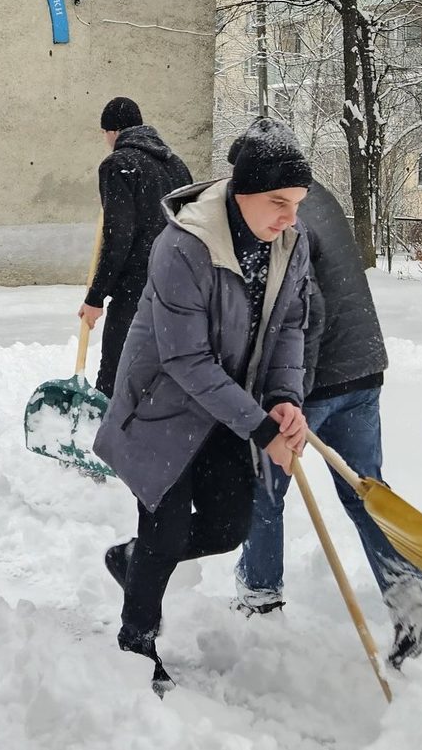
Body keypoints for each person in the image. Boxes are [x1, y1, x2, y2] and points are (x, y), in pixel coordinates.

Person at [92, 117, 314, 693]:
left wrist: (284, 399)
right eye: (279, 202)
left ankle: (133, 560)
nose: (290, 218)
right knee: (164, 531)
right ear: (243, 193)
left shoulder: (290, 244)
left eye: (297, 204)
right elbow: (186, 360)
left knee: (227, 526)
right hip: (162, 407)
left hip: (227, 407)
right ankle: (136, 643)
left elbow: (290, 325)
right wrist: (262, 429)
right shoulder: (184, 245)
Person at [234, 176, 422, 668]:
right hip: (363, 367)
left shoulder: (282, 217)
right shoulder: (317, 197)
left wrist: (292, 394)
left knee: (263, 489)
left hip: (318, 379)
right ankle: (412, 601)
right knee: (364, 491)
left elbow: (309, 309)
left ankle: (259, 599)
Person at [78, 97, 193, 398]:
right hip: (178, 284)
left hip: (136, 287)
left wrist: (95, 297)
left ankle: (106, 420)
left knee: (115, 371)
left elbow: (118, 237)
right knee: (162, 371)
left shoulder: (119, 164)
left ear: (113, 131)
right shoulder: (176, 165)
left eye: (104, 133)